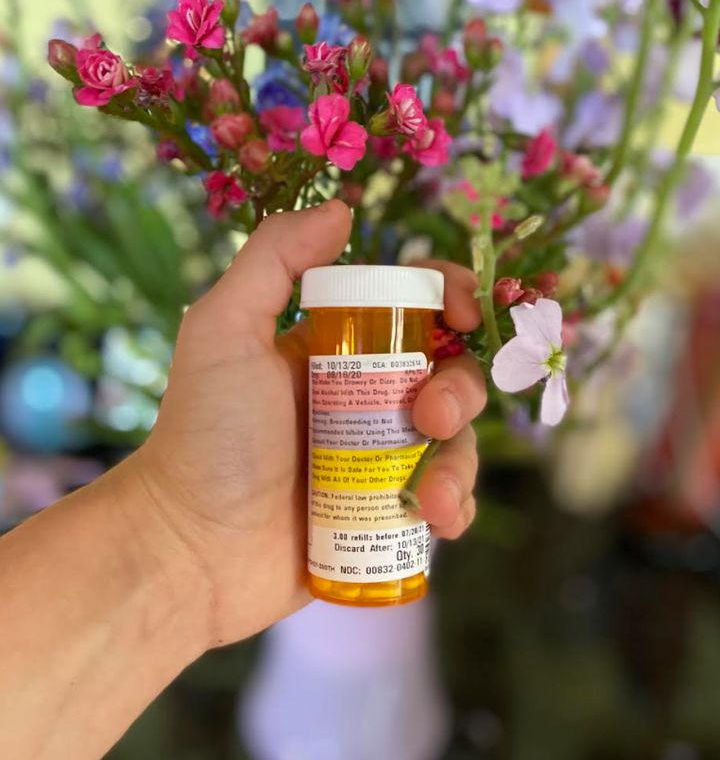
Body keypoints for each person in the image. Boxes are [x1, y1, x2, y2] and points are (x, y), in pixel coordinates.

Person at [0, 200, 487, 760]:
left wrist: (171, 530)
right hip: (318, 577)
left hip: (371, 576)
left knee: (434, 425)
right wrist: (174, 523)